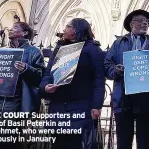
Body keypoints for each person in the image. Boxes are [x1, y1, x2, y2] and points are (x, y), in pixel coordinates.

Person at [40, 18, 106, 149]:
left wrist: (96, 106)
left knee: (74, 143)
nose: (64, 29)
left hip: (80, 105)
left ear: (76, 30)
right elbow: (48, 73)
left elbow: (99, 80)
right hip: (58, 104)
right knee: (57, 143)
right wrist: (45, 87)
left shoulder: (92, 50)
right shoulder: (60, 48)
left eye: (67, 26)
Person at [104, 9, 149, 149]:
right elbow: (107, 66)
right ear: (132, 24)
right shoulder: (119, 43)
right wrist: (116, 70)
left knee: (144, 141)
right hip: (123, 99)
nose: (144, 23)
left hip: (146, 99)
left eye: (147, 22)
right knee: (123, 141)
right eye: (140, 21)